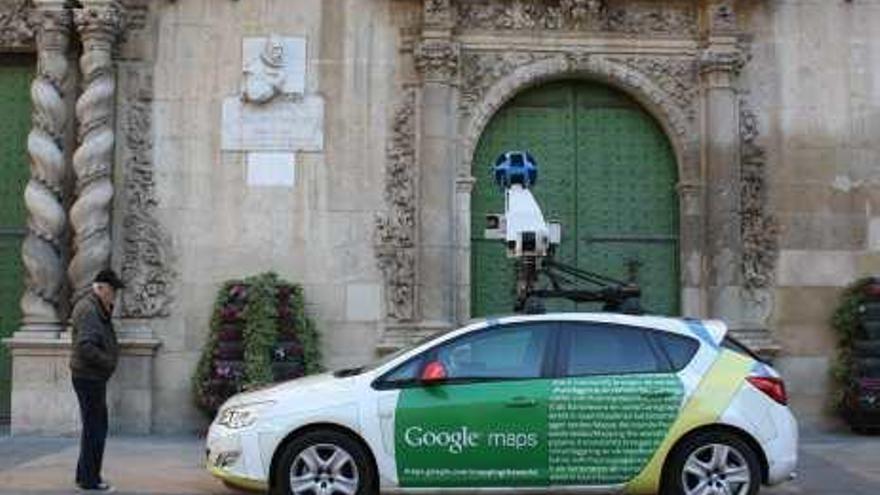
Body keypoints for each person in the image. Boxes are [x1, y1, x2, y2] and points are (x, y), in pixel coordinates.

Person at [70, 269, 125, 493]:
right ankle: (90, 480)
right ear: (100, 288)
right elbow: (85, 347)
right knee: (96, 428)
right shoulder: (89, 310)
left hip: (90, 377)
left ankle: (84, 474)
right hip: (89, 377)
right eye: (112, 292)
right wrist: (108, 362)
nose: (114, 297)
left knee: (92, 427)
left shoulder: (97, 307)